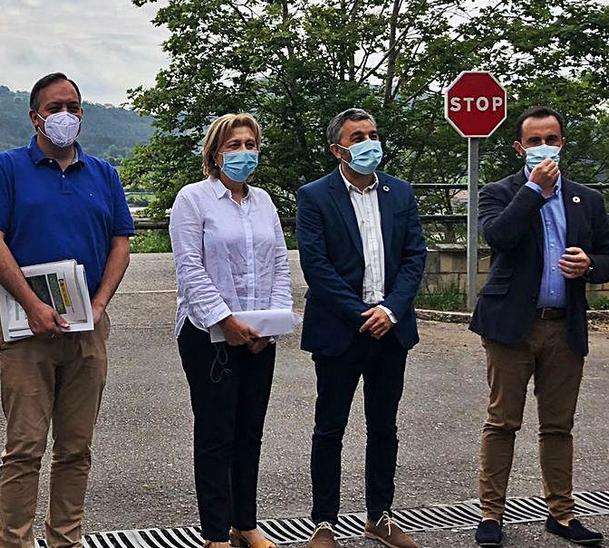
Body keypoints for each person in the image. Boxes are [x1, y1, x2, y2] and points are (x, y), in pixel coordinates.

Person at [0, 72, 134, 548]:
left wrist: (100, 304)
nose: (66, 115)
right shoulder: (6, 168)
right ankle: (15, 541)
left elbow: (121, 243)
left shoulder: (104, 174)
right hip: (26, 329)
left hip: (87, 328)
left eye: (74, 107)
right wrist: (32, 303)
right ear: (35, 116)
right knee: (24, 448)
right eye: (56, 107)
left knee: (76, 448)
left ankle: (66, 538)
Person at [469, 106, 609, 547]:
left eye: (550, 139)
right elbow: (499, 237)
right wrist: (534, 190)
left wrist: (591, 264)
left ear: (563, 143)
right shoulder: (500, 192)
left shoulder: (587, 199)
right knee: (502, 422)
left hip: (563, 326)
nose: (543, 147)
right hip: (511, 326)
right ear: (520, 147)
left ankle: (563, 514)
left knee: (558, 425)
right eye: (533, 141)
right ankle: (491, 515)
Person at [297, 108, 427, 548]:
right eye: (358, 137)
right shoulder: (315, 196)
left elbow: (414, 258)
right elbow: (316, 266)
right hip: (340, 331)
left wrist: (389, 310)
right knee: (330, 427)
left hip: (391, 329)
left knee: (384, 426)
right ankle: (323, 523)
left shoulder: (400, 192)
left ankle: (381, 515)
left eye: (373, 134)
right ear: (339, 149)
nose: (369, 143)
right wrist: (360, 313)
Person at [169, 113, 291, 548]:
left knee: (250, 431)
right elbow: (189, 268)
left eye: (251, 144)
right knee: (216, 432)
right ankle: (216, 532)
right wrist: (225, 319)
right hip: (209, 334)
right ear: (216, 153)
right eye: (234, 145)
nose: (244, 153)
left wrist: (272, 322)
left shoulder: (264, 202)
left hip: (259, 336)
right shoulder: (193, 200)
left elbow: (279, 262)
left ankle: (247, 523)